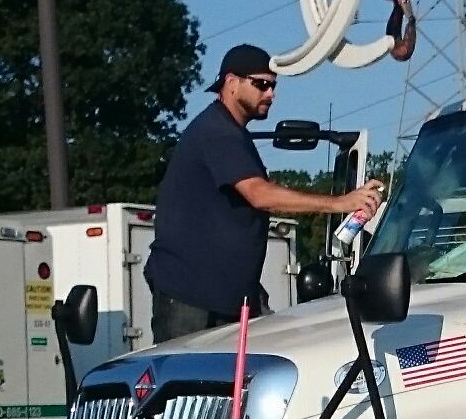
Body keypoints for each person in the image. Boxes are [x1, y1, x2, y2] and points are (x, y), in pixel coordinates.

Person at [145, 43, 383, 342]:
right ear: (231, 83)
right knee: (186, 384)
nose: (271, 94)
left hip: (228, 297)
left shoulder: (231, 134)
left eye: (273, 86)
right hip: (191, 299)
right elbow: (260, 194)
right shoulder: (216, 132)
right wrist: (341, 202)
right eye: (261, 85)